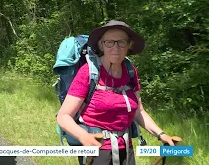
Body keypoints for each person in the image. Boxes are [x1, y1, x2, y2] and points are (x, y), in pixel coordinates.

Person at [56, 20, 175, 165]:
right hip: (96, 149)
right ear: (101, 45)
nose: (116, 47)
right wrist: (84, 137)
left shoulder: (130, 71)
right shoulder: (88, 72)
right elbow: (63, 116)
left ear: (129, 45)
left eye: (121, 42)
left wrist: (161, 134)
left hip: (126, 147)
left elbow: (139, 111)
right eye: (109, 42)